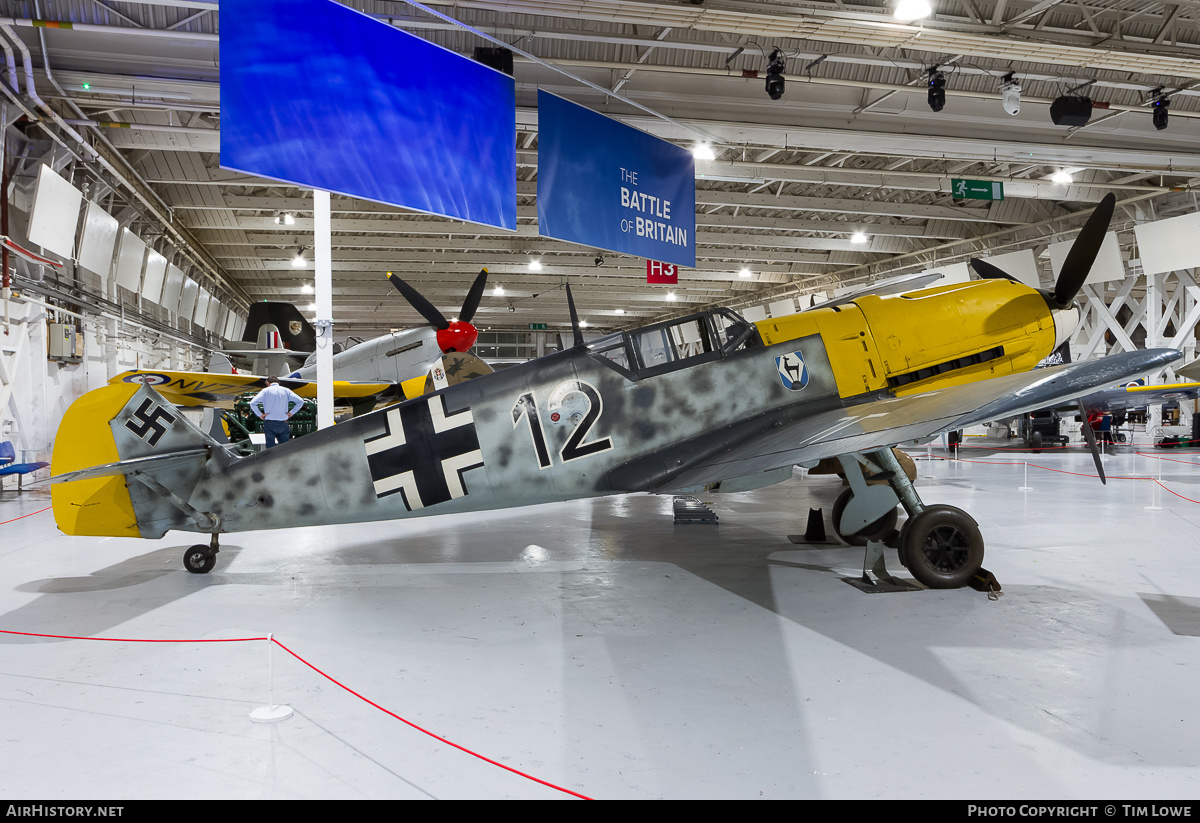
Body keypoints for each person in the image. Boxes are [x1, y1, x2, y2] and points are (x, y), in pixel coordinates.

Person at [248, 376, 305, 448]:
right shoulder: (286, 390)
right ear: (279, 382)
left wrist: (260, 414)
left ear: (268, 383)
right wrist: (291, 412)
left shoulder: (265, 391)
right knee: (285, 447)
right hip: (283, 421)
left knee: (270, 447)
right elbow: (300, 401)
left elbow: (252, 403)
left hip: (270, 421)